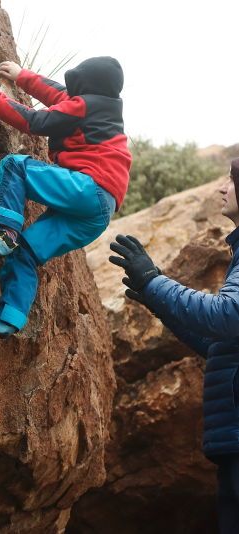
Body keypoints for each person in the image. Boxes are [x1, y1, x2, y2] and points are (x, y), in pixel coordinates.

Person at [108, 159, 239, 533]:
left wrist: (154, 281)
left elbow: (227, 315)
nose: (221, 189)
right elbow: (220, 343)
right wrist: (160, 305)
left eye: (231, 182)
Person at [0, 57, 131, 337]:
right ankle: (9, 317)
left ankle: (4, 229)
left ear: (84, 84)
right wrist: (22, 76)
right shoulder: (102, 108)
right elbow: (56, 93)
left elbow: (37, 121)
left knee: (15, 167)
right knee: (28, 252)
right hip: (99, 213)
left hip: (88, 188)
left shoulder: (83, 106)